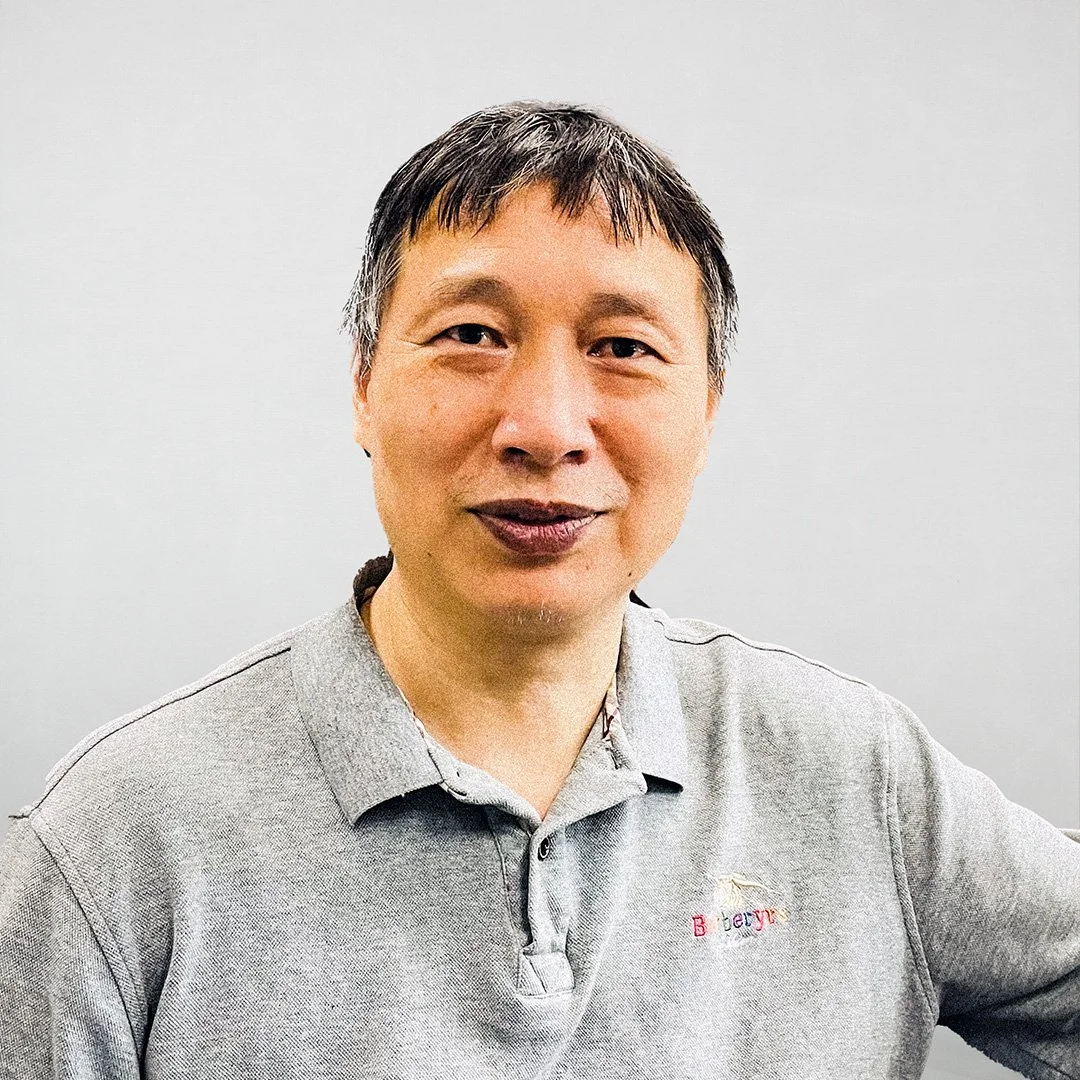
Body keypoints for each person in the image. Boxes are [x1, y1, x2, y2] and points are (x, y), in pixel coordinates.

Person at [0, 100, 1076, 1080]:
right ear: (365, 387)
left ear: (708, 412)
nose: (548, 429)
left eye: (623, 347)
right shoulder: (116, 844)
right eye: (473, 335)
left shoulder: (855, 777)